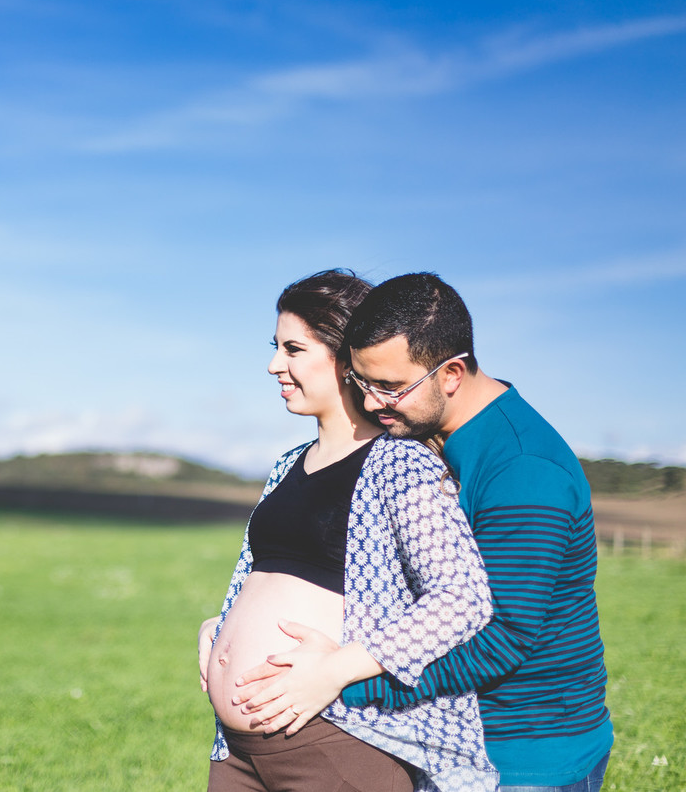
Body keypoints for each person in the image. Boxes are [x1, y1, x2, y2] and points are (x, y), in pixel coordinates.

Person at [235, 273, 612, 792]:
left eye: (390, 388)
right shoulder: (433, 439)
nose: (371, 404)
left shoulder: (522, 469)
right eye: (364, 383)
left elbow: (504, 635)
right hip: (455, 737)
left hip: (523, 751)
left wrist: (345, 683)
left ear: (452, 372)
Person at [199, 270, 498, 792]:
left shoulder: (400, 466)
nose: (274, 365)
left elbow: (463, 598)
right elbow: (269, 576)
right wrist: (218, 628)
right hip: (238, 752)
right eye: (276, 347)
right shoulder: (288, 464)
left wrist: (338, 669)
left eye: (293, 349)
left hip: (334, 742)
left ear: (343, 357)